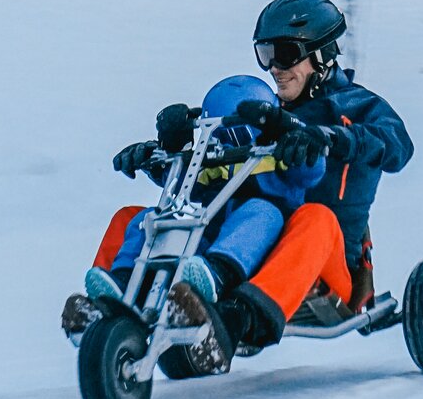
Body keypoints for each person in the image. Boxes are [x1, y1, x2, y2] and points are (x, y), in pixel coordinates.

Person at [165, 0, 414, 374]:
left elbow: (399, 146)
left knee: (314, 217)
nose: (275, 69)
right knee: (160, 217)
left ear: (322, 53)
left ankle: (233, 324)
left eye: (284, 54)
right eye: (266, 55)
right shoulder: (268, 111)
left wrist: (335, 138)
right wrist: (174, 145)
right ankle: (135, 316)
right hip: (250, 252)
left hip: (329, 272)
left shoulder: (357, 106)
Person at [61, 75, 325, 336]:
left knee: (261, 212)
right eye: (216, 134)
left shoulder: (281, 158)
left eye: (236, 133)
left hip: (259, 248)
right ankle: (122, 283)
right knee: (152, 218)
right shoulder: (215, 161)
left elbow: (311, 171)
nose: (226, 143)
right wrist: (167, 149)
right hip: (207, 239)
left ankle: (217, 273)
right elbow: (183, 180)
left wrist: (296, 140)